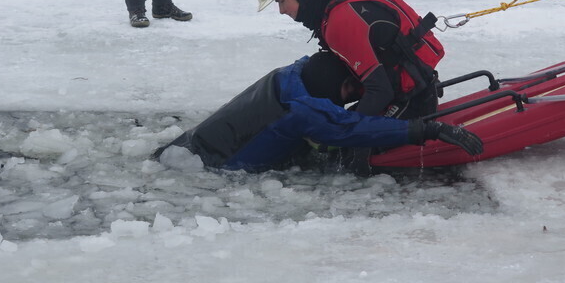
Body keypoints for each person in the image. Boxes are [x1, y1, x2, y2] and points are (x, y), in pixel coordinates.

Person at [153, 52, 483, 173]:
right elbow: (350, 127)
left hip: (188, 147)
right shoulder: (303, 111)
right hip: (204, 171)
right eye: (349, 92)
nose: (353, 98)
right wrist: (427, 130)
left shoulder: (289, 75)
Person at [253, 0, 444, 121]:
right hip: (414, 90)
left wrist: (345, 134)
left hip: (412, 102)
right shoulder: (344, 1)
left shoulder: (339, 21)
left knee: (328, 138)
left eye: (281, 0)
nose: (281, 10)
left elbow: (380, 91)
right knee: (319, 74)